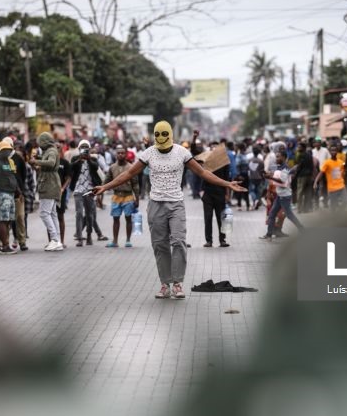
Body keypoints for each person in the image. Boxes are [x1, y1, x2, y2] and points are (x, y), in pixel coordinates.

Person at [93, 123, 246, 300]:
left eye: (165, 135)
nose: (162, 140)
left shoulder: (182, 152)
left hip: (176, 205)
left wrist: (227, 183)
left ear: (171, 135)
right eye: (159, 135)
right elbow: (128, 174)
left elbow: (203, 173)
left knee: (179, 242)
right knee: (160, 245)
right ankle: (165, 284)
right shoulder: (149, 153)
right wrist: (105, 187)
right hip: (155, 205)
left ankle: (178, 283)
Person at [259, 151, 304, 240]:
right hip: (280, 196)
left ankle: (302, 229)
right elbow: (277, 176)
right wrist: (267, 174)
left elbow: (282, 181)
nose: (276, 158)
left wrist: (270, 177)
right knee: (272, 214)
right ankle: (269, 234)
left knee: (289, 215)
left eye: (278, 157)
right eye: (276, 157)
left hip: (285, 196)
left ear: (284, 157)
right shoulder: (279, 167)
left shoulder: (285, 168)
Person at [31, 132, 64, 251]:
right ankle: (57, 241)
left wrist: (37, 162)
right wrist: (38, 160)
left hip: (49, 185)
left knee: (44, 213)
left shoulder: (51, 151)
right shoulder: (50, 151)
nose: (39, 146)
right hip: (51, 183)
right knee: (53, 213)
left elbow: (50, 163)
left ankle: (54, 239)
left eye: (40, 143)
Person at [0, 138, 22, 255]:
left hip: (10, 194)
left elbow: (12, 176)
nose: (8, 152)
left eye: (9, 150)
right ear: (0, 151)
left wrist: (18, 190)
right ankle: (5, 246)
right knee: (3, 220)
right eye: (6, 150)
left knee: (7, 220)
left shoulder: (7, 161)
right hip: (2, 194)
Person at [104, 145, 139, 248]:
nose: (120, 155)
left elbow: (135, 184)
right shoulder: (112, 167)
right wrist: (101, 190)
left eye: (122, 153)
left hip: (128, 197)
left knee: (128, 218)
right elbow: (106, 181)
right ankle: (115, 241)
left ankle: (128, 240)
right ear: (116, 155)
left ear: (126, 154)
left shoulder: (131, 167)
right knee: (115, 218)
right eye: (118, 153)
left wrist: (137, 198)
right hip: (116, 196)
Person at [70, 140, 103, 246]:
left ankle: (89, 235)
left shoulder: (93, 158)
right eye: (82, 147)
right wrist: (79, 160)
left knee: (89, 214)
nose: (84, 149)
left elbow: (96, 167)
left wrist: (88, 159)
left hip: (89, 190)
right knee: (79, 213)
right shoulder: (75, 158)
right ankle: (79, 238)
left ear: (89, 149)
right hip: (78, 189)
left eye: (86, 148)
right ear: (79, 149)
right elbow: (71, 168)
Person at [200, 156, 231, 248]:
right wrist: (201, 191)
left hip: (220, 193)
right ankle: (209, 241)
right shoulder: (206, 162)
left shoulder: (225, 164)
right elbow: (201, 175)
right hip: (208, 194)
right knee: (208, 217)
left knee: (221, 218)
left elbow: (227, 179)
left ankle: (222, 240)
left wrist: (227, 193)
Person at [314, 144, 346, 211]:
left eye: (335, 150)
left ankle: (341, 214)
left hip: (341, 186)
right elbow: (321, 172)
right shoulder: (327, 163)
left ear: (337, 151)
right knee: (333, 206)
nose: (333, 152)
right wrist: (316, 181)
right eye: (332, 151)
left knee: (345, 202)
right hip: (332, 188)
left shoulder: (341, 162)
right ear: (330, 152)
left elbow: (342, 172)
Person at [55, 142, 72, 248]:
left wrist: (63, 188)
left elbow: (69, 178)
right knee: (50, 218)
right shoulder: (49, 162)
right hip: (50, 193)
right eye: (54, 147)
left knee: (60, 216)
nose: (56, 149)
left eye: (58, 147)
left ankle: (61, 241)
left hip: (61, 193)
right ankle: (52, 241)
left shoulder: (65, 163)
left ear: (61, 149)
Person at [294, 142, 315, 213]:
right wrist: (312, 175)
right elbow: (312, 166)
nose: (298, 148)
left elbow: (299, 166)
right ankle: (306, 209)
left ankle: (299, 209)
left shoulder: (301, 155)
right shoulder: (309, 155)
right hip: (309, 176)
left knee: (299, 193)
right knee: (307, 193)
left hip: (302, 176)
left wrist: (295, 174)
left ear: (303, 148)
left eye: (299, 147)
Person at [247, 146, 265, 210]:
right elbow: (262, 171)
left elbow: (248, 169)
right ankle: (257, 200)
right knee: (258, 191)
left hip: (251, 178)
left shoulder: (249, 160)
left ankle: (254, 200)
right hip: (259, 178)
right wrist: (263, 178)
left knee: (251, 190)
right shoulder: (261, 161)